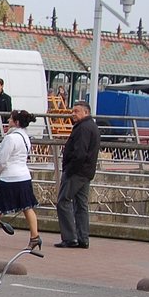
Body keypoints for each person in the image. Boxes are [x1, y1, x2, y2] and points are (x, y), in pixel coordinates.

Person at [0, 110, 41, 251]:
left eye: (10, 119)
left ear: (16, 122)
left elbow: (2, 160)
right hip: (24, 175)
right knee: (27, 207)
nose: (8, 122)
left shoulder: (10, 138)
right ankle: (34, 237)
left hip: (9, 177)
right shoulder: (25, 137)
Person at [55, 101, 101, 249]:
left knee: (63, 201)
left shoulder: (83, 128)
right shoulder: (92, 126)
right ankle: (83, 238)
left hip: (77, 172)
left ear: (86, 113)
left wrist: (69, 169)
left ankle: (70, 238)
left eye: (76, 111)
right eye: (73, 111)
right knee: (81, 205)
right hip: (86, 172)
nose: (73, 114)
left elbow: (80, 152)